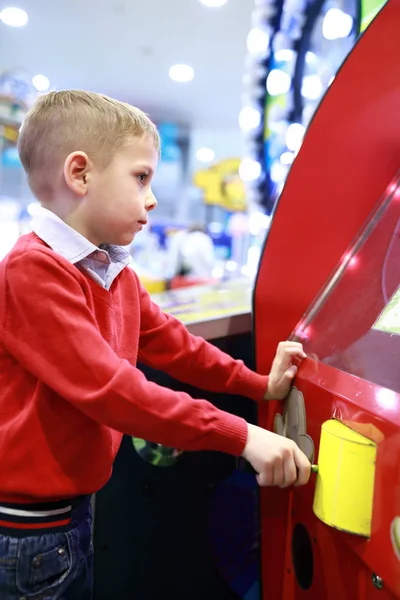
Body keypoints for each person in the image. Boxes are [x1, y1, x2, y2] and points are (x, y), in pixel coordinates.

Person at [0, 90, 310, 600]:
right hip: (28, 530)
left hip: (70, 513)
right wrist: (240, 435)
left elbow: (176, 345)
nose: (153, 198)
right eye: (141, 177)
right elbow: (112, 389)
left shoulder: (111, 270)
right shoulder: (33, 269)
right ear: (80, 174)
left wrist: (258, 386)